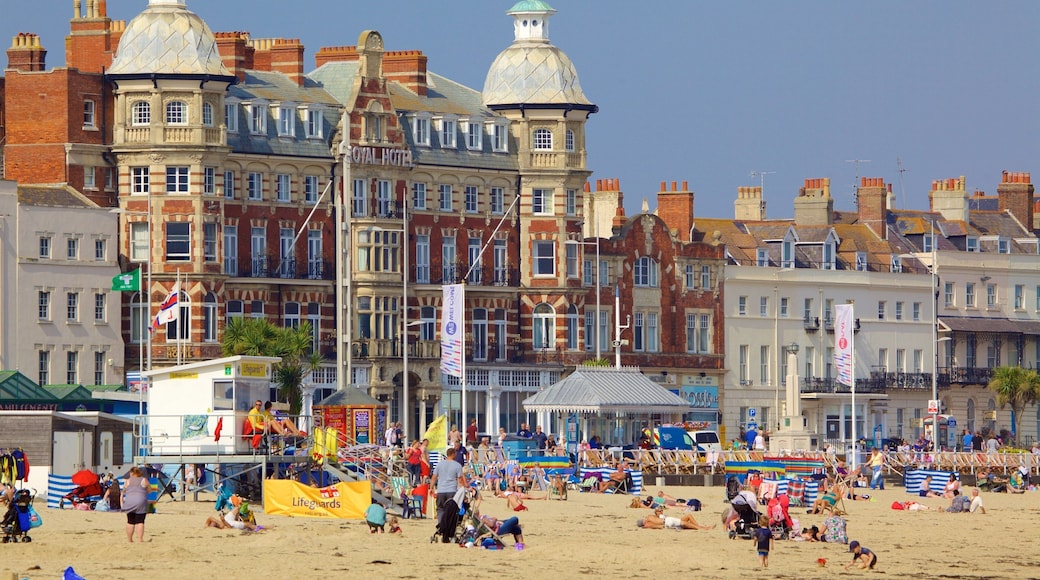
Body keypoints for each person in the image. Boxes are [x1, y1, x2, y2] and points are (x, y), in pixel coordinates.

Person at [429, 447, 466, 530]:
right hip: (452, 490)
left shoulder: (440, 464)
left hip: (441, 490)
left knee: (440, 509)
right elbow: (460, 479)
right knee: (451, 510)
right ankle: (448, 526)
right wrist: (462, 489)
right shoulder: (457, 465)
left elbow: (434, 477)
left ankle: (440, 525)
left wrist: (431, 487)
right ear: (453, 454)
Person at [121, 466, 150, 543]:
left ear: (132, 473)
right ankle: (140, 539)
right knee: (140, 521)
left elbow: (124, 491)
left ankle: (130, 539)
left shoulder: (127, 481)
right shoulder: (144, 480)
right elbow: (149, 490)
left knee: (130, 521)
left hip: (130, 501)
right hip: (140, 501)